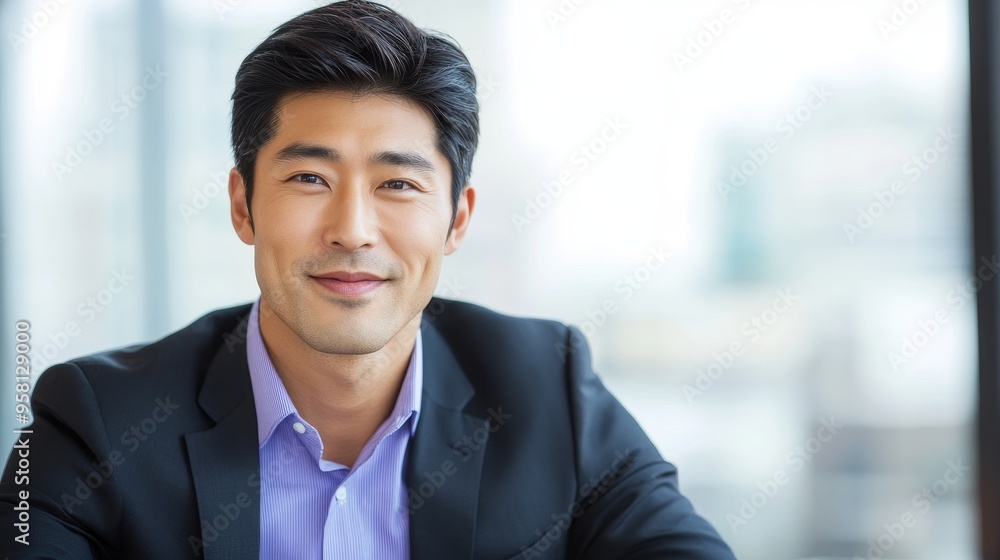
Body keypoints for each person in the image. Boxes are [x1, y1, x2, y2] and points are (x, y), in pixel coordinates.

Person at [0, 1, 736, 558]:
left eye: (398, 186)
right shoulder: (95, 421)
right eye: (310, 177)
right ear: (241, 205)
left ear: (457, 220)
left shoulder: (549, 390)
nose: (352, 228)